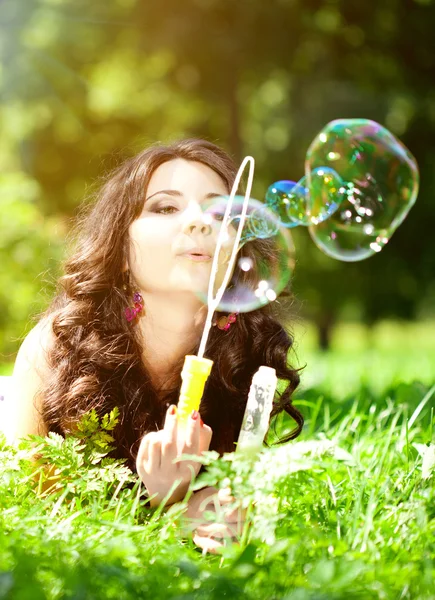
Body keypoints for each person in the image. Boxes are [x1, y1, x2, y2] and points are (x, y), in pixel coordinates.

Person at [3, 139, 303, 553]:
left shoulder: (245, 355)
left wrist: (225, 515)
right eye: (165, 207)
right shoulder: (57, 347)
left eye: (220, 212)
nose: (200, 222)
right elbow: (31, 516)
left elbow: (231, 506)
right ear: (122, 249)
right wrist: (165, 509)